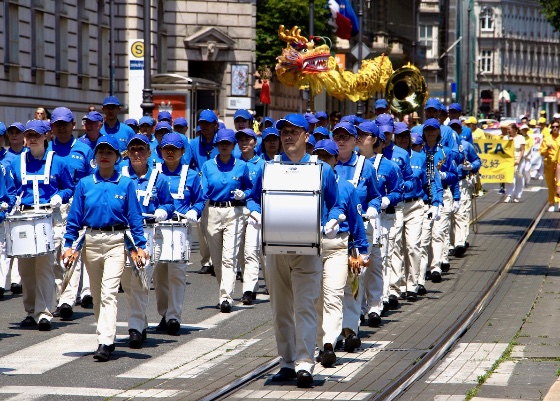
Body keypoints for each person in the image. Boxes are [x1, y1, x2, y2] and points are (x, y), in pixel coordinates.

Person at [257, 113, 341, 388]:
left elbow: (337, 204)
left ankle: (305, 364)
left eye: (294, 132)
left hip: (308, 248)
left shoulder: (321, 169)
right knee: (280, 308)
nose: (288, 136)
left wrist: (332, 221)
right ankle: (286, 362)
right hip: (276, 248)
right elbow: (252, 197)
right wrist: (254, 213)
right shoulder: (268, 167)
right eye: (284, 132)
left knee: (304, 307)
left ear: (307, 136)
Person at [62, 135, 147, 361]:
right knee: (98, 294)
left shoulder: (126, 184)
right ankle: (103, 335)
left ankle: (106, 342)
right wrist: (69, 244)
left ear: (117, 157)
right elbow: (74, 218)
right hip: (91, 241)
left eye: (109, 152)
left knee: (110, 291)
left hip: (117, 241)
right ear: (95, 157)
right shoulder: (85, 184)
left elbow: (135, 217)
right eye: (101, 152)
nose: (105, 156)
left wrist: (140, 245)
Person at [11, 120, 74, 331]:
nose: (32, 139)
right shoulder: (16, 162)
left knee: (45, 267)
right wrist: (12, 201)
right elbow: (10, 190)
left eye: (36, 135)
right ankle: (30, 311)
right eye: (29, 135)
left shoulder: (58, 161)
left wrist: (60, 196)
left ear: (46, 136)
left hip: (49, 219)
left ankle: (44, 312)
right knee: (26, 270)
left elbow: (69, 188)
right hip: (24, 219)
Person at [312, 139, 369, 366]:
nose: (323, 160)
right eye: (319, 156)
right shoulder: (307, 183)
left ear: (336, 160)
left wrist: (362, 252)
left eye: (327, 156)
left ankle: (329, 344)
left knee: (334, 295)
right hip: (312, 246)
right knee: (316, 299)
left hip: (339, 246)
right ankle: (319, 343)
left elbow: (356, 222)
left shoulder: (346, 186)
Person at [119, 134, 174, 346]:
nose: (136, 153)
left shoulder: (158, 178)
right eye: (132, 149)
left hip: (149, 234)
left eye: (141, 149)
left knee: (141, 281)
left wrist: (163, 210)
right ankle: (140, 321)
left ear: (149, 152)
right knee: (127, 283)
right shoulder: (121, 175)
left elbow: (169, 204)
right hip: (124, 235)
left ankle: (134, 328)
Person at [332, 121, 381, 348]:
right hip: (330, 233)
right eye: (337, 136)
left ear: (355, 141)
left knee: (354, 279)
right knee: (331, 285)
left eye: (346, 137)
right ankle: (331, 332)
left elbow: (375, 195)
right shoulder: (324, 163)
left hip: (355, 232)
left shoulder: (365, 166)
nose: (341, 141)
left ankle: (350, 329)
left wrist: (373, 207)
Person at [154, 133, 204, 335]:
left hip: (180, 228)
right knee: (159, 275)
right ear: (160, 151)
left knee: (177, 274)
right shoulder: (154, 173)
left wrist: (195, 211)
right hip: (157, 228)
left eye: (175, 148)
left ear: (183, 151)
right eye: (166, 148)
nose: (170, 152)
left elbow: (200, 200)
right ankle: (164, 314)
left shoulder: (191, 175)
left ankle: (174, 317)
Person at [201, 128, 256, 313]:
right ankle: (222, 291)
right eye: (221, 143)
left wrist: (244, 194)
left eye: (228, 143)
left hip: (234, 211)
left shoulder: (241, 165)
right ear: (216, 145)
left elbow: (250, 188)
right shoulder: (208, 165)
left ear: (233, 146)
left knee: (229, 257)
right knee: (216, 259)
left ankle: (226, 297)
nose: (224, 146)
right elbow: (203, 190)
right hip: (213, 211)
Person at [48, 107, 95, 318]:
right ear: (52, 126)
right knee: (54, 255)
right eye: (57, 124)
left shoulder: (84, 149)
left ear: (73, 125)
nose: (61, 127)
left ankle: (68, 299)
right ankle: (60, 296)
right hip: (53, 208)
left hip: (78, 206)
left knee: (73, 252)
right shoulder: (47, 149)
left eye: (65, 124)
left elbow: (93, 179)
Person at [355, 121, 403, 325]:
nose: (359, 137)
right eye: (357, 134)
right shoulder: (350, 163)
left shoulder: (389, 165)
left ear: (374, 140)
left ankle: (375, 306)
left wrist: (385, 200)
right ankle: (358, 308)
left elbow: (398, 191)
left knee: (377, 264)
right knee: (358, 267)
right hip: (357, 220)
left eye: (364, 135)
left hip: (381, 220)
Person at [235, 128, 265, 304]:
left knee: (253, 251)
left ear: (254, 142)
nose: (244, 143)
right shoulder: (235, 163)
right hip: (237, 212)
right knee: (240, 253)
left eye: (248, 140)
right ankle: (249, 286)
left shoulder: (262, 164)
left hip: (257, 212)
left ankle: (251, 288)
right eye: (241, 140)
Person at [190, 110, 220, 275]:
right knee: (202, 228)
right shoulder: (194, 144)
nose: (205, 126)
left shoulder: (221, 142)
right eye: (202, 123)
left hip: (218, 189)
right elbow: (189, 164)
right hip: (201, 190)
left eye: (208, 123)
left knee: (216, 228)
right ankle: (206, 260)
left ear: (216, 125)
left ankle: (218, 261)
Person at [541, 120, 560, 211]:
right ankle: (552, 202)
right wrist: (547, 148)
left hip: (559, 164)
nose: (555, 128)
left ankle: (558, 201)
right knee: (550, 184)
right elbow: (541, 152)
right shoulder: (547, 139)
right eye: (553, 127)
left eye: (556, 126)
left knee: (558, 183)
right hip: (549, 164)